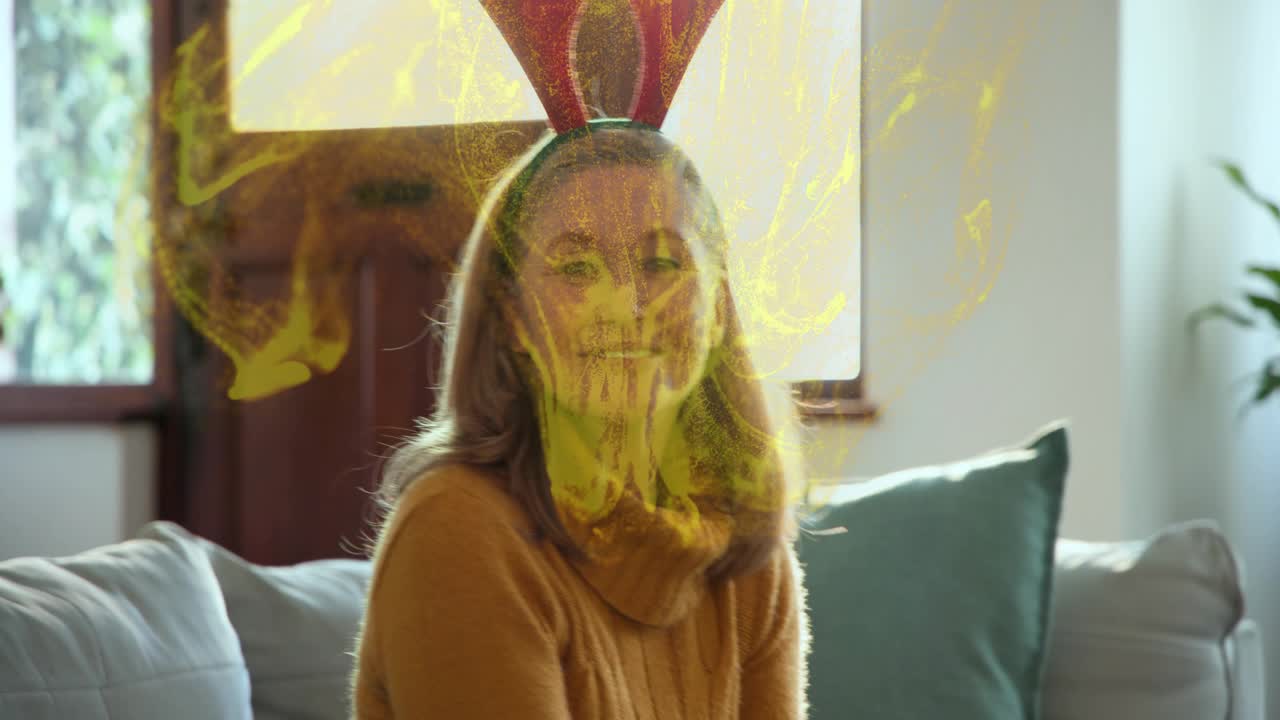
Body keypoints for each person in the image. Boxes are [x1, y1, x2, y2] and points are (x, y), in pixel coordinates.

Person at [347, 119, 811, 719]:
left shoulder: (743, 547)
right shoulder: (455, 528)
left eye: (663, 263)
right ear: (514, 319)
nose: (625, 302)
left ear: (718, 308)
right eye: (576, 268)